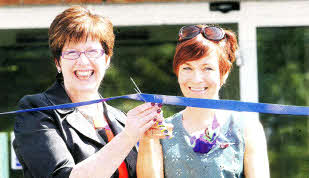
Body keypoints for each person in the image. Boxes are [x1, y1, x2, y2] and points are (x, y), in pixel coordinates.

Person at [13, 6, 163, 178]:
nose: (83, 61)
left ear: (106, 60)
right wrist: (129, 136)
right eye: (72, 52)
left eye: (92, 51)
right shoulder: (35, 111)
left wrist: (148, 138)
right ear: (58, 63)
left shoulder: (121, 120)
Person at [138, 25, 270, 177]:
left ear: (224, 73)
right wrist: (149, 139)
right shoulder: (160, 131)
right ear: (177, 72)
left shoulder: (247, 129)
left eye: (207, 68)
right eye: (187, 68)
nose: (196, 79)